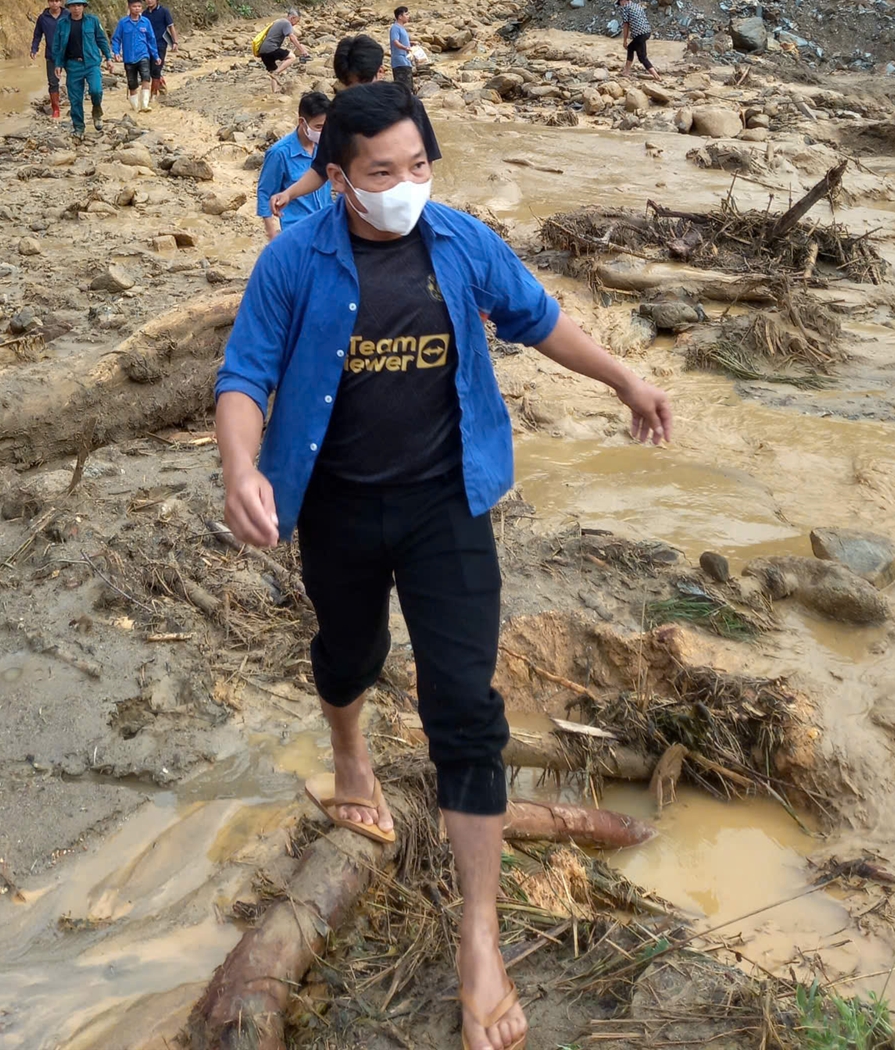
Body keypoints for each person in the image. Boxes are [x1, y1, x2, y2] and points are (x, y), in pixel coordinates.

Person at [215, 84, 673, 1050]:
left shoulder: (461, 243)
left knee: (465, 709)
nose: (406, 187)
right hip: (335, 507)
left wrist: (627, 377)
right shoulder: (293, 260)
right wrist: (241, 468)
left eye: (419, 166)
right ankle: (349, 755)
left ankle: (479, 940)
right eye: (383, 173)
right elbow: (244, 377)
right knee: (348, 655)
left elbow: (541, 318)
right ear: (337, 178)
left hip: (445, 509)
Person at [270, 34, 441, 220]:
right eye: (351, 85)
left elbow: (426, 160)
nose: (359, 92)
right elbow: (320, 169)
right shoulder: (339, 115)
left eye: (364, 83)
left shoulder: (409, 107)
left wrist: (416, 198)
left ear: (380, 72)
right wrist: (289, 193)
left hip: (408, 206)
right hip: (359, 212)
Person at [257, 90, 333, 240]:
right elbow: (265, 192)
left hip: (327, 223)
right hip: (297, 229)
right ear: (302, 122)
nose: (323, 132)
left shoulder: (326, 146)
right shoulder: (279, 153)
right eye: (318, 127)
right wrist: (271, 232)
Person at [52, 0, 112, 137]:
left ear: (84, 6)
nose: (76, 8)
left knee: (96, 90)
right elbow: (57, 45)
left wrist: (108, 58)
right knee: (75, 98)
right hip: (73, 65)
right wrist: (58, 64)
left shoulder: (93, 21)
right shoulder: (62, 23)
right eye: (73, 5)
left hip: (91, 63)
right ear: (68, 7)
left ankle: (97, 111)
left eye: (79, 5)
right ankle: (79, 127)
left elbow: (101, 40)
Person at [111, 0, 161, 112]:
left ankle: (144, 105)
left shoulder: (145, 22)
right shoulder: (123, 23)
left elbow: (151, 40)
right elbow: (116, 39)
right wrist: (116, 52)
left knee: (146, 78)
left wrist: (156, 56)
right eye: (134, 6)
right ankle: (135, 108)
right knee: (132, 84)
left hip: (143, 55)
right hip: (129, 58)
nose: (137, 9)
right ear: (129, 7)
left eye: (139, 6)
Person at [30, 0, 66, 120]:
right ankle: (56, 109)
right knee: (53, 82)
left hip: (69, 53)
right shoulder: (43, 18)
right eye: (51, 1)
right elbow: (37, 35)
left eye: (57, 1)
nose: (54, 4)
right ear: (48, 2)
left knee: (74, 79)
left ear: (61, 2)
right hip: (52, 54)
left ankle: (76, 104)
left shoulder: (68, 15)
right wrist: (34, 49)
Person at [257, 7, 309, 92]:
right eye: (297, 21)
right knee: (292, 57)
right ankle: (276, 73)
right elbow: (292, 37)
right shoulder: (286, 23)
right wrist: (302, 50)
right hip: (271, 48)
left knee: (273, 70)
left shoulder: (278, 21)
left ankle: (274, 92)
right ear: (292, 18)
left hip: (263, 50)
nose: (296, 24)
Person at [143, 0, 178, 102]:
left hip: (161, 44)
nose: (149, 1)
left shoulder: (164, 12)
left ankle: (153, 95)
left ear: (157, 0)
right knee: (148, 68)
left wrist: (174, 42)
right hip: (147, 45)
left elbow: (171, 27)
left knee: (156, 69)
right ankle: (161, 84)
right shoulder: (144, 14)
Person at [616, 0, 658, 74]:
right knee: (631, 48)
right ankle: (626, 71)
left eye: (620, 2)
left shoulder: (625, 8)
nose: (620, 5)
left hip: (639, 34)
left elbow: (626, 25)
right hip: (646, 32)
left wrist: (624, 40)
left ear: (623, 0)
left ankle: (656, 76)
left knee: (642, 57)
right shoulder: (637, 6)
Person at [389, 5, 415, 96]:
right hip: (399, 62)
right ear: (400, 16)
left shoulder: (402, 28)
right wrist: (405, 48)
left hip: (406, 60)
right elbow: (395, 41)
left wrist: (411, 43)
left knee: (409, 87)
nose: (408, 16)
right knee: (403, 89)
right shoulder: (395, 28)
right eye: (406, 14)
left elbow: (402, 41)